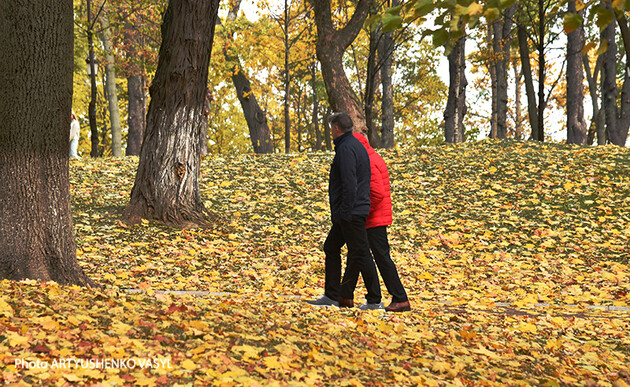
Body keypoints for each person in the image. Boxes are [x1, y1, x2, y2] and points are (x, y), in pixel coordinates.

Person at [307, 112, 382, 310]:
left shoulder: (346, 149)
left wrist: (344, 212)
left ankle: (374, 299)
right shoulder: (352, 146)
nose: (330, 130)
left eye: (331, 127)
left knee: (361, 253)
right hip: (351, 210)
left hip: (351, 212)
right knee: (333, 247)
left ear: (337, 128)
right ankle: (333, 295)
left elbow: (350, 183)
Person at [352, 132, 411, 312]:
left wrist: (363, 211)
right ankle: (373, 298)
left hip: (374, 218)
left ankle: (399, 298)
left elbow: (377, 193)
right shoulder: (372, 157)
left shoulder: (367, 161)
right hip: (376, 217)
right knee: (368, 256)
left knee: (381, 258)